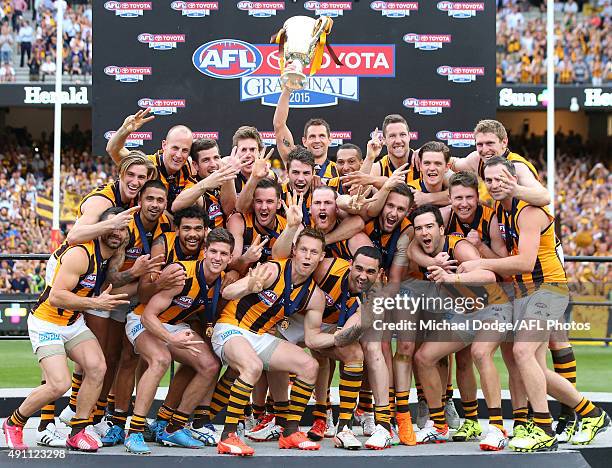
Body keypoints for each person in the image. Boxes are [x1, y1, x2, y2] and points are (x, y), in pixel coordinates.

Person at [460, 156, 611, 451]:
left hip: (548, 290)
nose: (494, 184)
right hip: (528, 293)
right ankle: (592, 414)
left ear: (513, 179)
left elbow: (526, 261)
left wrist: (478, 259)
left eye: (500, 178)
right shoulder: (499, 211)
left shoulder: (527, 211)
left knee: (521, 351)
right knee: (536, 369)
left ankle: (542, 427)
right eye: (489, 180)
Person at [2, 207, 131, 452]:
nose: (117, 232)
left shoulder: (111, 256)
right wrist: (95, 303)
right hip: (47, 322)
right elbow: (57, 297)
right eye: (112, 226)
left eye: (122, 228)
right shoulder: (81, 254)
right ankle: (14, 422)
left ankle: (78, 430)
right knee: (58, 384)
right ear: (100, 228)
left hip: (72, 323)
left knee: (97, 367)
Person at [212, 228, 327, 455]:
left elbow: (313, 338)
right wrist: (248, 285)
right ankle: (228, 436)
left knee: (310, 366)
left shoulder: (315, 296)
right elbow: (227, 292)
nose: (307, 256)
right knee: (252, 366)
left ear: (321, 257)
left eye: (314, 252)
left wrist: (346, 334)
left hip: (260, 337)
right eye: (303, 250)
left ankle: (290, 432)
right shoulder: (273, 269)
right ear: (294, 251)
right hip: (230, 328)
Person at [122, 229, 234, 454]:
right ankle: (134, 431)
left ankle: (173, 426)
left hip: (174, 326)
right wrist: (171, 339)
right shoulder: (181, 273)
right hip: (143, 321)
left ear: (230, 258)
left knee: (210, 365)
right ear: (204, 252)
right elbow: (147, 316)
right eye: (213, 251)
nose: (217, 258)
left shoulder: (221, 283)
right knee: (160, 359)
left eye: (224, 253)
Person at [106, 109, 195, 211]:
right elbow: (112, 149)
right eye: (175, 148)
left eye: (184, 150)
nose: (179, 155)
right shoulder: (147, 165)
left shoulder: (189, 167)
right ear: (164, 145)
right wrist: (125, 130)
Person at [449, 119, 550, 206]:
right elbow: (453, 164)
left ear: (504, 142)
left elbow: (545, 197)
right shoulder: (477, 159)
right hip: (501, 220)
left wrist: (516, 191)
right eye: (480, 144)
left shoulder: (516, 166)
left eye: (490, 143)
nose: (484, 150)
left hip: (525, 223)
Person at [274, 88, 337, 183]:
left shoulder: (338, 169)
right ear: (304, 141)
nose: (317, 140)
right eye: (312, 136)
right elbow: (279, 125)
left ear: (329, 140)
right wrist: (287, 90)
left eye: (322, 136)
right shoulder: (293, 160)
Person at [171, 138, 237, 224]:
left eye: (216, 158)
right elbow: (175, 206)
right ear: (195, 165)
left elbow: (228, 210)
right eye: (206, 160)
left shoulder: (222, 179)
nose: (213, 164)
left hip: (223, 235)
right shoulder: (193, 185)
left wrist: (229, 174)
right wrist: (206, 184)